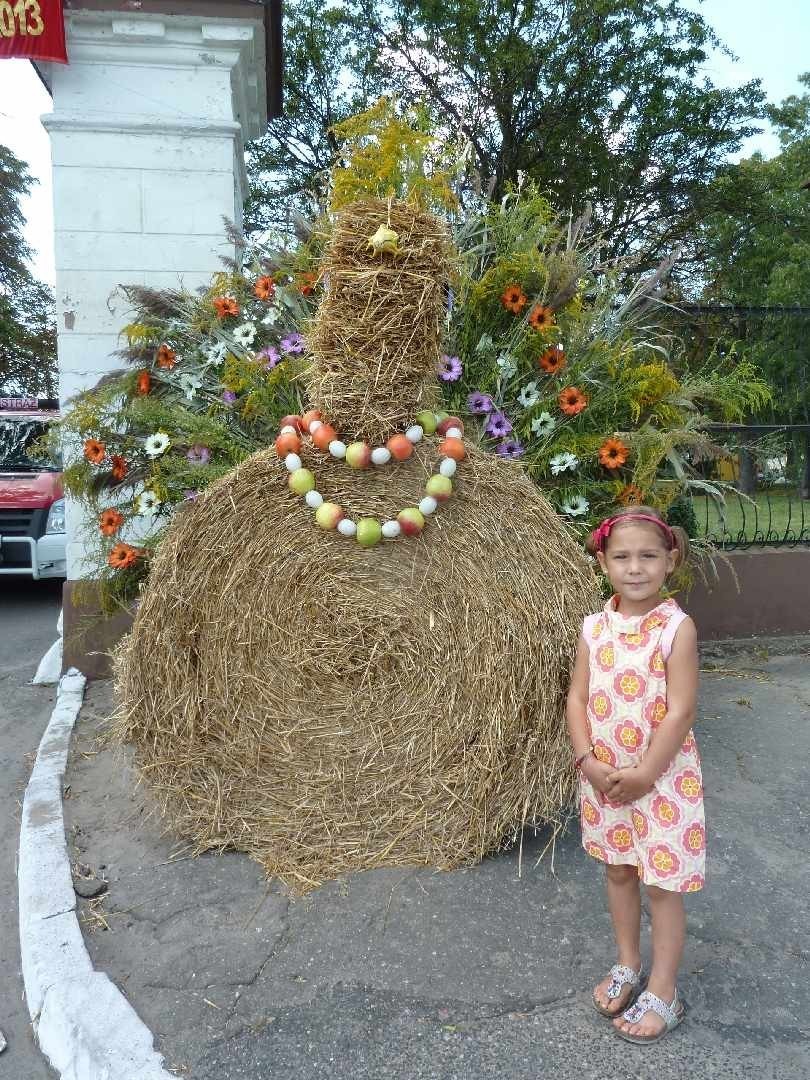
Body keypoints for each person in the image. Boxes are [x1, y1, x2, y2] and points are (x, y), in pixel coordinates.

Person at [566, 505, 705, 1044]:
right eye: (621, 556)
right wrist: (586, 760)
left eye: (648, 556)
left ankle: (665, 988)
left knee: (662, 883)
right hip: (603, 777)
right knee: (620, 870)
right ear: (602, 562)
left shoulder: (676, 629)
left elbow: (681, 711)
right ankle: (627, 962)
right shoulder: (593, 626)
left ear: (670, 561)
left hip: (661, 781)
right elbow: (577, 695)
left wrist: (647, 772)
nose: (635, 567)